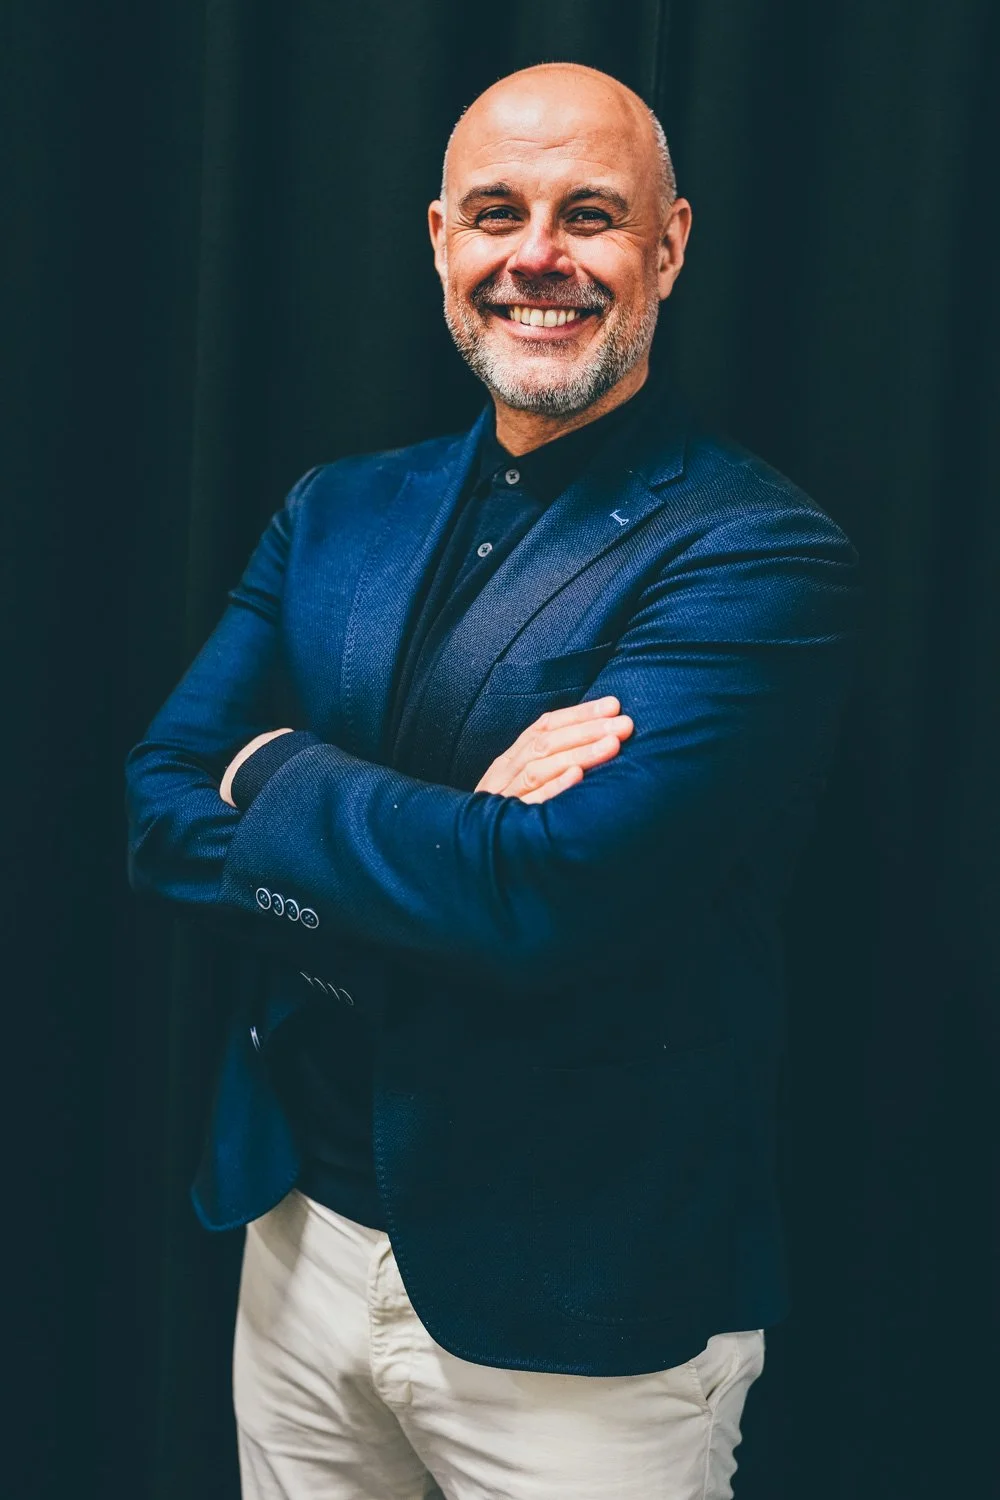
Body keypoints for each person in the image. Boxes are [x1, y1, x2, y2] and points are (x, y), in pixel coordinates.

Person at [125, 61, 861, 1500]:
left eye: (591, 215)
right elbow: (158, 810)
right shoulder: (333, 509)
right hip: (298, 1246)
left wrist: (270, 769)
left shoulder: (757, 556)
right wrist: (454, 840)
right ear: (440, 241)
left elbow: (544, 902)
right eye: (496, 214)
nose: (538, 257)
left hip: (585, 1304)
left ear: (671, 244)